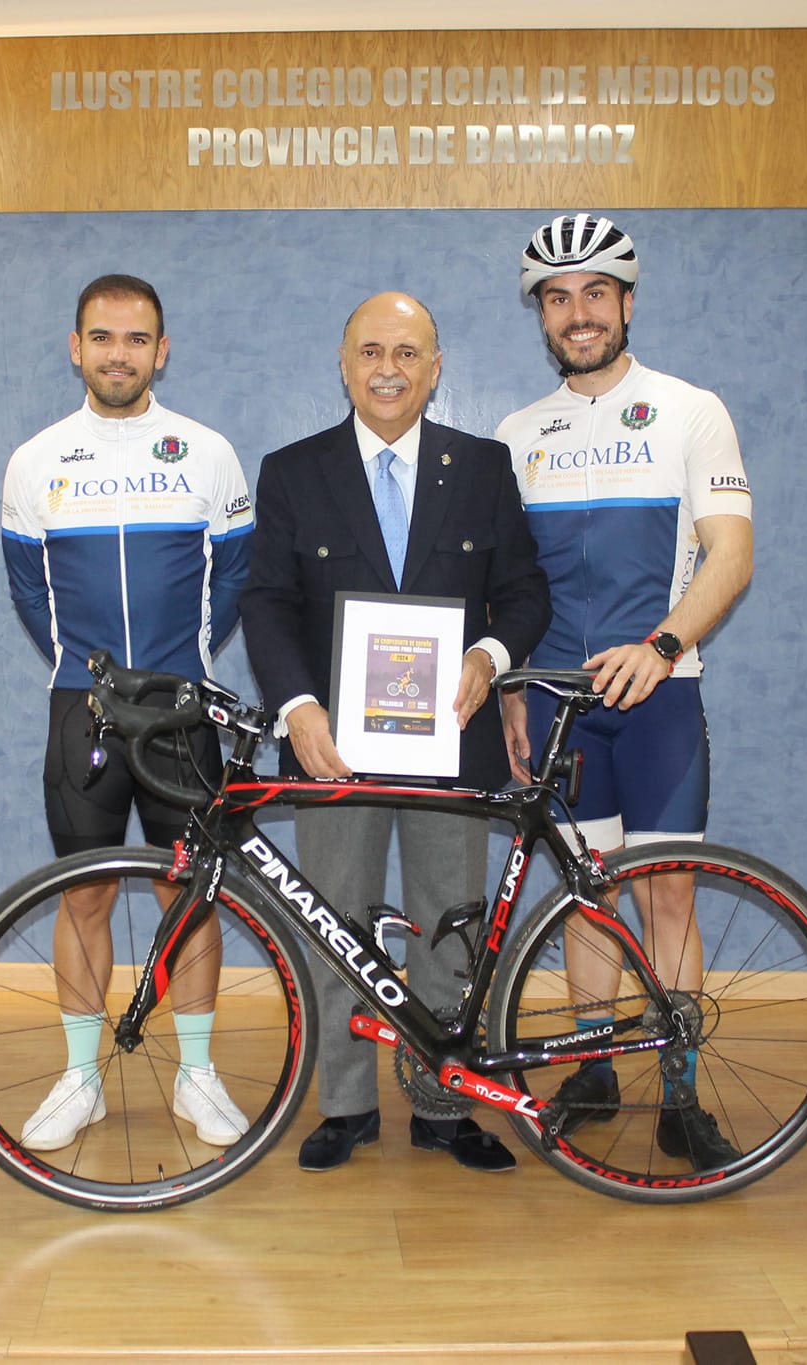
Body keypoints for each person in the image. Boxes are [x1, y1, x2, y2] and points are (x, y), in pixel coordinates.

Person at [240, 292, 549, 1174]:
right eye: (371, 350)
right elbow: (267, 603)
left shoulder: (484, 467)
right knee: (336, 922)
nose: (388, 368)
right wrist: (298, 708)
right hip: (333, 744)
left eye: (408, 353)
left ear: (435, 367)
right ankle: (345, 1104)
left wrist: (490, 655)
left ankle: (447, 1103)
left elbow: (526, 592)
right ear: (343, 364)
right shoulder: (294, 471)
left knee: (449, 923)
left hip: (452, 738)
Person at [494, 213, 755, 1168]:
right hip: (559, 704)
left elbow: (732, 555)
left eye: (595, 293)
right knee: (583, 897)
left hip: (660, 698)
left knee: (667, 900)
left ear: (627, 302)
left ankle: (682, 1090)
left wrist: (663, 642)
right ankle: (597, 1063)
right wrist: (514, 693)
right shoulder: (517, 433)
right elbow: (509, 586)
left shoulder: (691, 409)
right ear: (543, 317)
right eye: (558, 299)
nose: (578, 313)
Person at [0, 274, 255, 1152]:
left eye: (136, 338)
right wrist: (93, 671)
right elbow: (29, 593)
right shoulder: (35, 461)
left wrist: (179, 670)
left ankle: (198, 1075)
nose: (119, 353)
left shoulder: (207, 452)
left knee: (188, 893)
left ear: (162, 349)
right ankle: (80, 1078)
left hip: (184, 708)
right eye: (102, 338)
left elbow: (238, 579)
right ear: (76, 347)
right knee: (85, 897)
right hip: (82, 709)